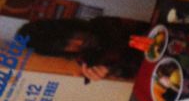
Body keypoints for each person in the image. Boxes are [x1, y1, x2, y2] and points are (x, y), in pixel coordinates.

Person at [19, 16, 150, 81]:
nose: (79, 41)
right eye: (66, 44)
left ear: (71, 26)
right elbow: (136, 78)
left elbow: (146, 27)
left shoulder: (102, 24)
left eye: (72, 34)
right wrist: (110, 73)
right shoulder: (90, 65)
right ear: (60, 52)